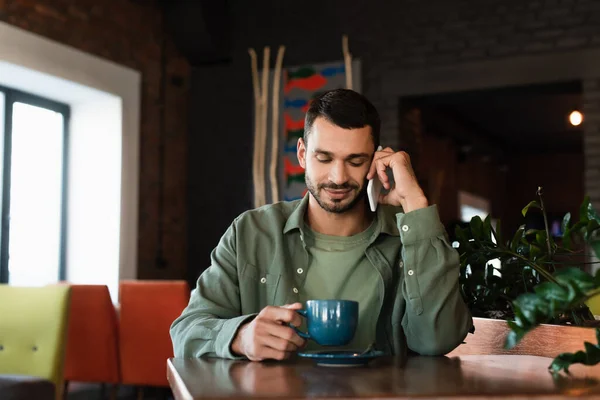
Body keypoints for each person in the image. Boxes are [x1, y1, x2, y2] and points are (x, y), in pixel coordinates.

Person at [170, 88, 473, 361]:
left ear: (375, 159)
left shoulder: (407, 235)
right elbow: (186, 331)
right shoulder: (250, 232)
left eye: (355, 161)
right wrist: (240, 337)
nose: (338, 177)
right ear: (302, 154)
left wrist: (416, 205)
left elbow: (437, 340)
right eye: (324, 158)